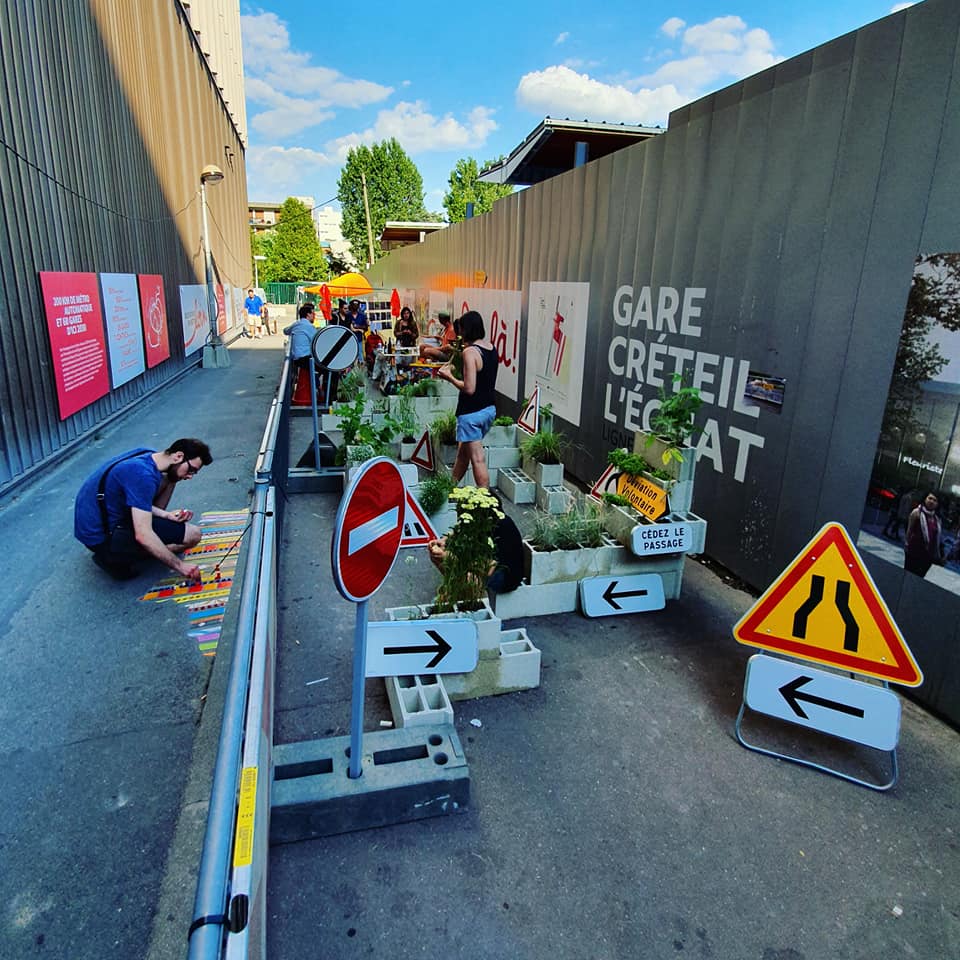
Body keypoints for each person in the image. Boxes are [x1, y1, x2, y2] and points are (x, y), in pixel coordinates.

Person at [74, 439, 213, 581]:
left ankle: (136, 551)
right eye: (191, 470)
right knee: (193, 535)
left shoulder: (147, 454)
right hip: (100, 537)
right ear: (178, 456)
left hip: (99, 521)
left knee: (168, 477)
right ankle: (113, 558)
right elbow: (143, 534)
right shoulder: (142, 475)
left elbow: (138, 500)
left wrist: (166, 515)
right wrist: (180, 566)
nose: (189, 476)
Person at [436, 310, 498, 487]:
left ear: (467, 329)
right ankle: (449, 489)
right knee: (463, 454)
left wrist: (449, 377)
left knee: (477, 459)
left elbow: (469, 388)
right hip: (489, 409)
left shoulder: (470, 352)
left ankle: (484, 503)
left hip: (471, 413)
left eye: (461, 329)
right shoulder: (491, 348)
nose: (459, 333)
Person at [427, 494, 523, 594]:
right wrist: (444, 541)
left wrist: (451, 558)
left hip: (505, 577)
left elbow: (487, 568)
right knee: (438, 556)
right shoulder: (483, 522)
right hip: (489, 565)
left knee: (472, 579)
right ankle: (455, 587)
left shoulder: (500, 528)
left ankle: (465, 595)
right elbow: (460, 528)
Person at [904, 491, 944, 577]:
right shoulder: (916, 512)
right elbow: (909, 530)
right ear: (925, 499)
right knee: (908, 576)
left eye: (935, 500)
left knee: (919, 578)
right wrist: (907, 546)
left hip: (928, 556)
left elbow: (938, 537)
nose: (932, 501)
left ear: (937, 504)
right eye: (930, 498)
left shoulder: (937, 519)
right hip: (913, 552)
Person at [284, 303, 318, 372]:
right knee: (327, 367)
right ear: (308, 314)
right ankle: (323, 382)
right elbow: (317, 341)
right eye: (313, 314)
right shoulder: (309, 326)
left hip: (296, 358)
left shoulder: (296, 324)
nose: (314, 316)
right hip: (306, 359)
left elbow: (285, 331)